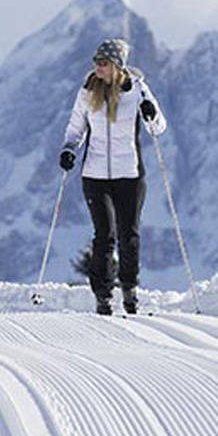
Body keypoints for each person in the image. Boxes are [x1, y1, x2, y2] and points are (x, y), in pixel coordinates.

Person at [59, 38, 166, 315]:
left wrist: (151, 113)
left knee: (128, 235)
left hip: (130, 175)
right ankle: (103, 297)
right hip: (94, 175)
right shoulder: (86, 92)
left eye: (103, 62)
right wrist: (69, 149)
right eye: (96, 61)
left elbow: (158, 129)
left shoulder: (138, 91)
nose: (97, 67)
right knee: (104, 234)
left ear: (117, 66)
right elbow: (75, 129)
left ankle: (130, 292)